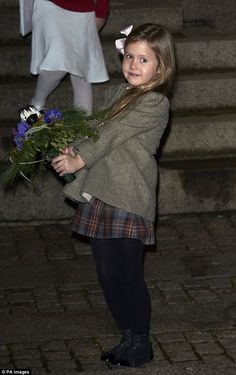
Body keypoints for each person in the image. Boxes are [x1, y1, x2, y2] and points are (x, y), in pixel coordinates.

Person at [52, 23, 176, 367]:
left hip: (129, 194)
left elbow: (115, 133)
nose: (133, 65)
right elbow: (96, 130)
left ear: (161, 67)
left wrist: (81, 156)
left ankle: (140, 341)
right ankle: (128, 336)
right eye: (129, 57)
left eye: (144, 60)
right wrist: (70, 149)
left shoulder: (155, 102)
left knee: (127, 273)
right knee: (107, 272)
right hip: (103, 191)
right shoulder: (117, 93)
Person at [29, 0, 109, 115]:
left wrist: (102, 8)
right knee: (57, 62)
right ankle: (36, 104)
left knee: (82, 73)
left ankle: (84, 129)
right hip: (50, 5)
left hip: (84, 10)